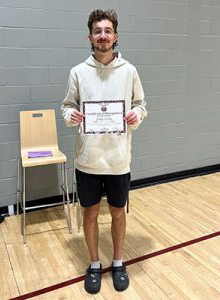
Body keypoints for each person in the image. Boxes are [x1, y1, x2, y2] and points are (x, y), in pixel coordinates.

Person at [61, 9, 147, 294]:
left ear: (115, 36)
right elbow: (67, 106)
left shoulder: (130, 71)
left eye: (108, 31)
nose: (103, 36)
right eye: (98, 31)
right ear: (90, 37)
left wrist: (136, 114)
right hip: (88, 160)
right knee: (90, 212)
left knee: (118, 213)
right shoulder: (78, 72)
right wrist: (70, 116)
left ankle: (119, 262)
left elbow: (141, 105)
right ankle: (95, 264)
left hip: (118, 160)